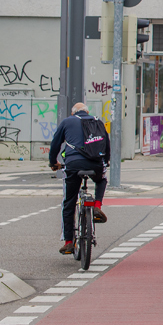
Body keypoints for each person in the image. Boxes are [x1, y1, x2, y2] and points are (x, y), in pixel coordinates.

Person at [49, 102, 109, 255]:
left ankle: (69, 242)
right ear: (87, 112)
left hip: (74, 164)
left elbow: (55, 144)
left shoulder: (67, 122)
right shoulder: (97, 121)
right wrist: (106, 162)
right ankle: (97, 206)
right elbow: (106, 144)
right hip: (96, 163)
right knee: (101, 180)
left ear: (73, 113)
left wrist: (53, 162)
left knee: (69, 202)